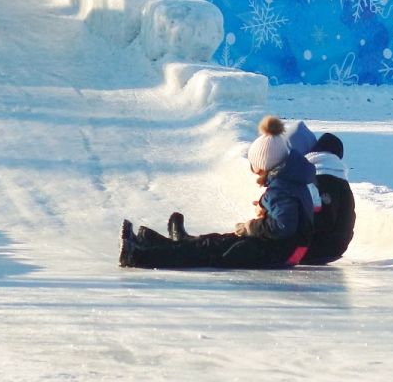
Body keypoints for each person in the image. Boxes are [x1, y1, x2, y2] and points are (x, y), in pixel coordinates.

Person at [119, 116, 315, 270]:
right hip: (278, 248)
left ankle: (139, 256)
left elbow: (283, 226)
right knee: (216, 241)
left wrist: (252, 227)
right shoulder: (288, 183)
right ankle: (152, 242)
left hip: (276, 252)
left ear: (264, 165)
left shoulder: (281, 187)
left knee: (211, 252)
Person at [302, 131, 356, 266]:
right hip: (338, 245)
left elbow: (324, 220)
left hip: (318, 246)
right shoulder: (341, 180)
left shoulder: (321, 176)